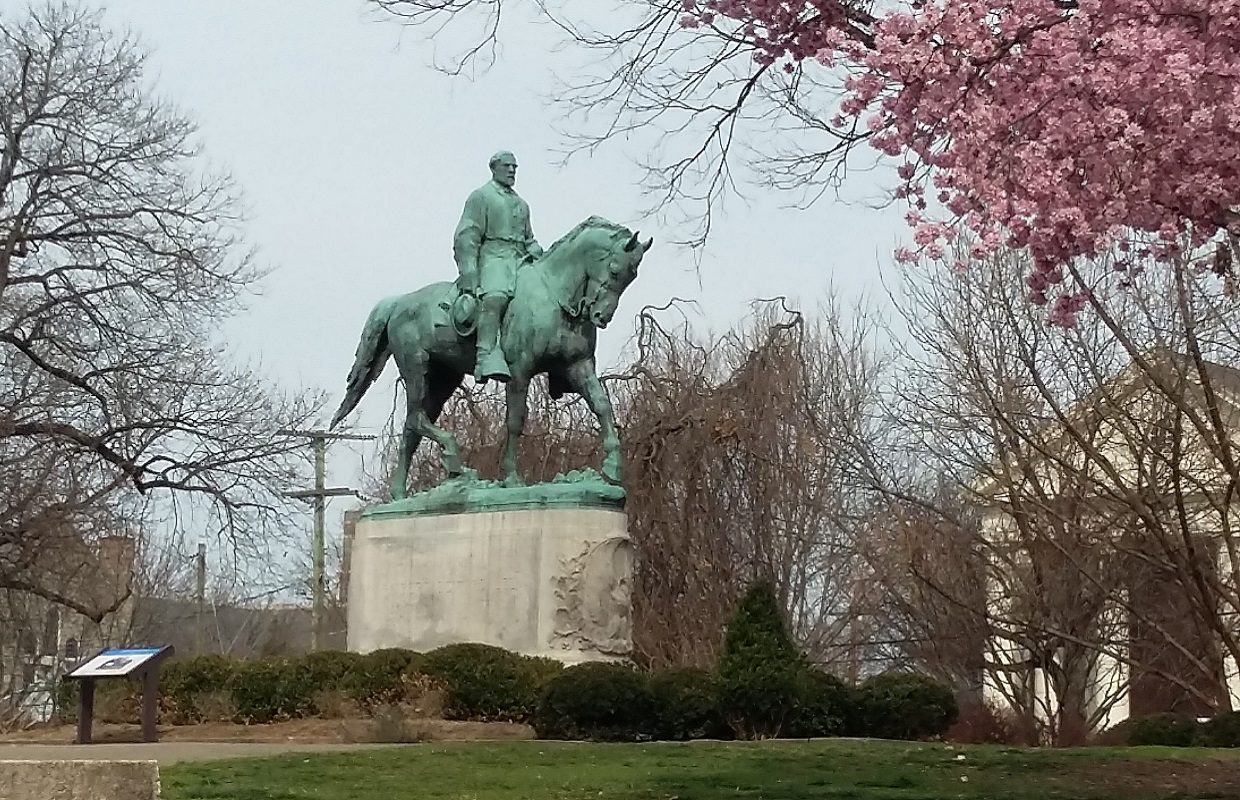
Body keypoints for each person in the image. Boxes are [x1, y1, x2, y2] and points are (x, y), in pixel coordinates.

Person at [452, 150, 543, 383]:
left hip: (521, 260)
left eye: (515, 167)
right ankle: (485, 356)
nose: (512, 170)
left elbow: (529, 238)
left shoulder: (522, 204)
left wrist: (539, 253)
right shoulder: (481, 197)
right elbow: (467, 234)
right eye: (507, 166)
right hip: (493, 257)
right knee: (495, 297)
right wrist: (469, 269)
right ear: (493, 168)